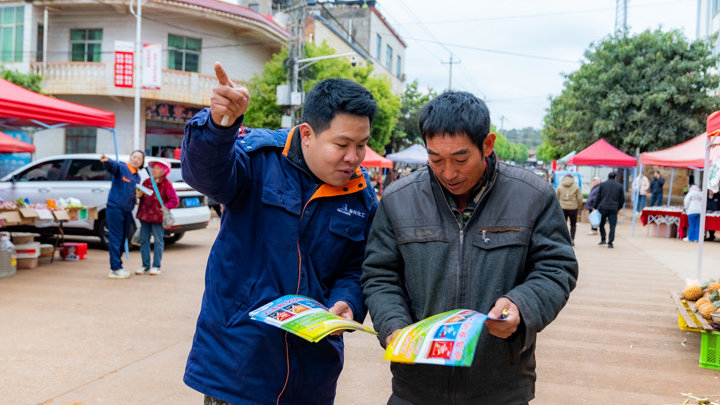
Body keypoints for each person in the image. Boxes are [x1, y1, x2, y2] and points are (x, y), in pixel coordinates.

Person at [361, 91, 578, 405]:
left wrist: (521, 304)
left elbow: (557, 267)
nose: (448, 173)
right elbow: (380, 275)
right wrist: (393, 326)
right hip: (416, 386)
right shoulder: (398, 199)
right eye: (436, 159)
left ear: (487, 145)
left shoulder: (533, 196)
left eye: (460, 159)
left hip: (500, 387)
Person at [181, 63, 378, 405]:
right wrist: (218, 127)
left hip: (312, 377)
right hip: (238, 368)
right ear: (307, 134)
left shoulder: (360, 195)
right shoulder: (259, 159)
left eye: (361, 145)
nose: (353, 157)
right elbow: (205, 174)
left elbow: (356, 267)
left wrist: (347, 301)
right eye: (342, 144)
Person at [100, 150, 144, 279]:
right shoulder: (121, 168)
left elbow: (133, 193)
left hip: (127, 210)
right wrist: (107, 161)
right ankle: (115, 268)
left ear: (142, 163)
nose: (136, 160)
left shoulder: (137, 176)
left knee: (123, 238)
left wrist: (138, 195)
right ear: (130, 157)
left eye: (139, 159)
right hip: (115, 209)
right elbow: (112, 166)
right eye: (134, 157)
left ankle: (118, 266)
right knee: (116, 238)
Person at [135, 158, 178, 276]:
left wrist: (165, 207)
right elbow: (138, 196)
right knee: (144, 241)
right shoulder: (147, 182)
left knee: (158, 241)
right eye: (153, 168)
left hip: (158, 218)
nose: (154, 170)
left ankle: (156, 266)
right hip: (144, 216)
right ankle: (145, 265)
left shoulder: (167, 184)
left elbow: (174, 201)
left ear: (164, 171)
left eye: (157, 168)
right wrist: (138, 195)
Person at [596, 172, 625, 248]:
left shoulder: (602, 185)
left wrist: (595, 206)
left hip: (603, 207)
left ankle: (603, 239)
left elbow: (598, 196)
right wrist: (618, 207)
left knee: (602, 224)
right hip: (614, 208)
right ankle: (610, 242)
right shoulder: (619, 186)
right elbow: (622, 199)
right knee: (612, 225)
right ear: (615, 177)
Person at [556, 173, 583, 246]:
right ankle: (572, 239)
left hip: (562, 208)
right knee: (573, 224)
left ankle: (563, 239)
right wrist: (578, 206)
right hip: (573, 208)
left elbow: (556, 197)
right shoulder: (576, 187)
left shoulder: (560, 186)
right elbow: (579, 198)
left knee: (563, 224)